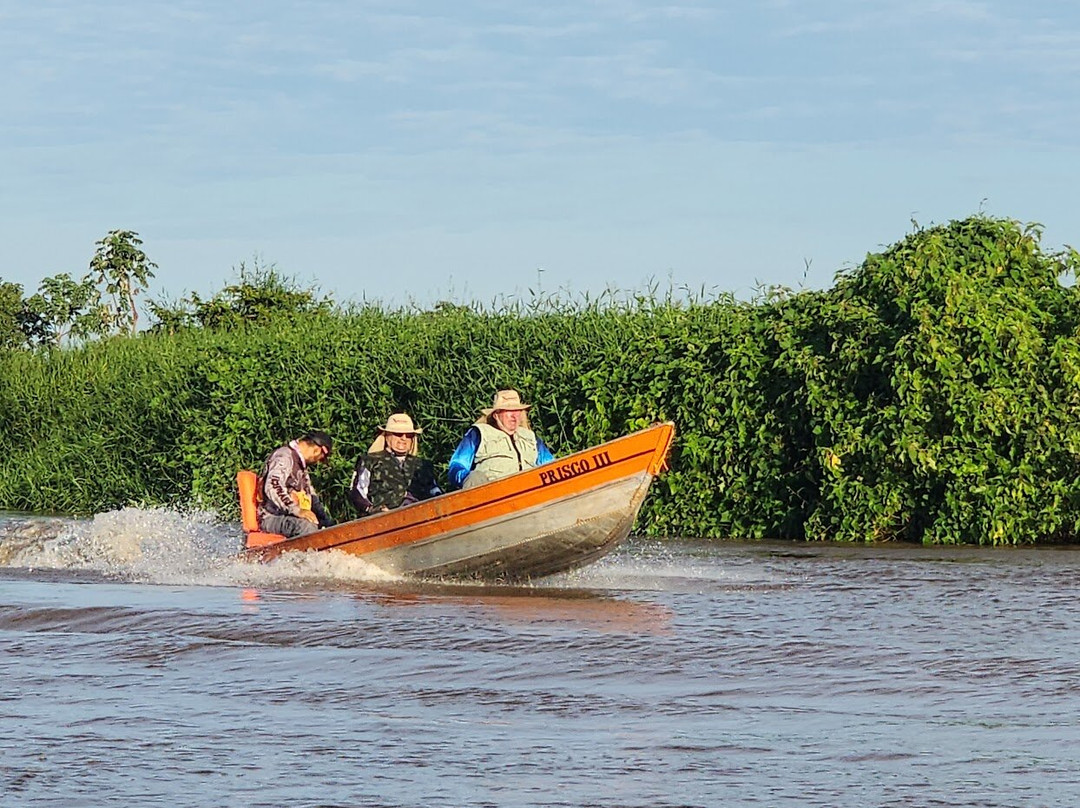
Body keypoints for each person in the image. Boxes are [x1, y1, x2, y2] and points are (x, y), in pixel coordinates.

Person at [447, 389, 554, 490]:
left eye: (517, 411)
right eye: (508, 411)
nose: (514, 416)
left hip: (529, 493)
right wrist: (467, 478)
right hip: (492, 495)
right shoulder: (478, 434)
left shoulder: (531, 437)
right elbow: (457, 465)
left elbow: (551, 466)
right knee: (475, 477)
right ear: (496, 415)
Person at [348, 412, 442, 515]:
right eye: (398, 434)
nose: (403, 438)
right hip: (383, 521)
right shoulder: (370, 461)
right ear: (387, 436)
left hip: (422, 517)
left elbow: (435, 492)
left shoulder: (423, 465)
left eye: (409, 435)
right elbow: (357, 492)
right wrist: (372, 509)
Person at [257, 430, 336, 538]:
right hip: (272, 517)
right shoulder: (284, 456)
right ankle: (307, 554)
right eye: (321, 458)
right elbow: (273, 486)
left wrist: (325, 519)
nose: (319, 461)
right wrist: (296, 510)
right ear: (317, 450)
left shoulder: (301, 466)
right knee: (307, 526)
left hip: (292, 515)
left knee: (330, 527)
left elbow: (311, 495)